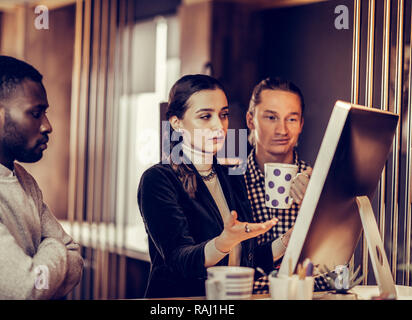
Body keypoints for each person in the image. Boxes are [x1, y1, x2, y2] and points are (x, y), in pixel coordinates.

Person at [137, 74, 278, 298]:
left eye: (223, 115)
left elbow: (243, 259)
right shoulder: (158, 179)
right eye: (205, 116)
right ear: (176, 123)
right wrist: (225, 241)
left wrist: (290, 240)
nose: (218, 126)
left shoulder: (231, 176)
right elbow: (179, 260)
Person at [0, 55, 83, 299]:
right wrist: (54, 245)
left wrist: (39, 272)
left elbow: (77, 259)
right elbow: (24, 289)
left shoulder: (22, 178)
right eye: (36, 113)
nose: (47, 126)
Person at [245, 77, 330, 292]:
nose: (282, 130)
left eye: (291, 119)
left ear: (301, 124)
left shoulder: (318, 184)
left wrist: (315, 206)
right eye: (271, 117)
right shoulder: (231, 184)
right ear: (250, 120)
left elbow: (334, 269)